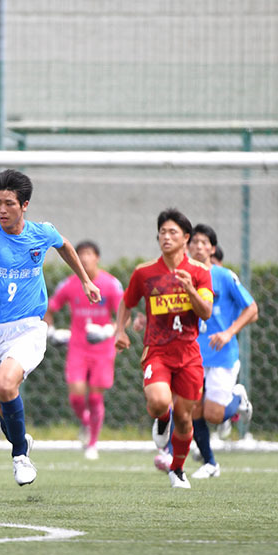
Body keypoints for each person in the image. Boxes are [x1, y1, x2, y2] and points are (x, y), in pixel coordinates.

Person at [0, 169, 100, 486]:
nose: (2, 209)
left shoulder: (41, 233)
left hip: (30, 328)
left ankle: (20, 456)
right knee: (4, 406)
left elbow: (64, 245)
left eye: (9, 203)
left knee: (6, 385)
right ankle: (20, 441)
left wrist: (85, 280)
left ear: (24, 205)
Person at [114, 208, 213, 489]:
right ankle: (161, 418)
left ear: (185, 238)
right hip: (157, 351)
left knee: (185, 419)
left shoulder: (200, 273)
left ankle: (177, 469)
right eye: (162, 232)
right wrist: (120, 331)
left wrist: (190, 290)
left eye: (172, 232)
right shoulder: (144, 272)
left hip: (189, 355)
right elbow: (126, 302)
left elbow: (206, 311)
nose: (166, 237)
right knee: (159, 401)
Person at [177, 224, 258, 479]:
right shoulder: (181, 276)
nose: (199, 247)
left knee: (213, 415)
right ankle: (210, 463)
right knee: (193, 410)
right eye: (195, 242)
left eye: (205, 243)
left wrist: (228, 333)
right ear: (187, 246)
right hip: (193, 354)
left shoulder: (224, 276)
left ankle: (238, 397)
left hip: (222, 355)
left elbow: (252, 309)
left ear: (212, 249)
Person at [45, 240, 123, 460]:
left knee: (96, 398)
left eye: (89, 253)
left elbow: (123, 314)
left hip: (102, 350)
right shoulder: (70, 284)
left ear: (97, 257)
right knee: (76, 397)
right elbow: (49, 308)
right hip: (78, 348)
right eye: (80, 254)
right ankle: (87, 423)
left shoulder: (110, 284)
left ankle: (92, 444)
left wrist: (109, 331)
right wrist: (51, 331)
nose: (85, 258)